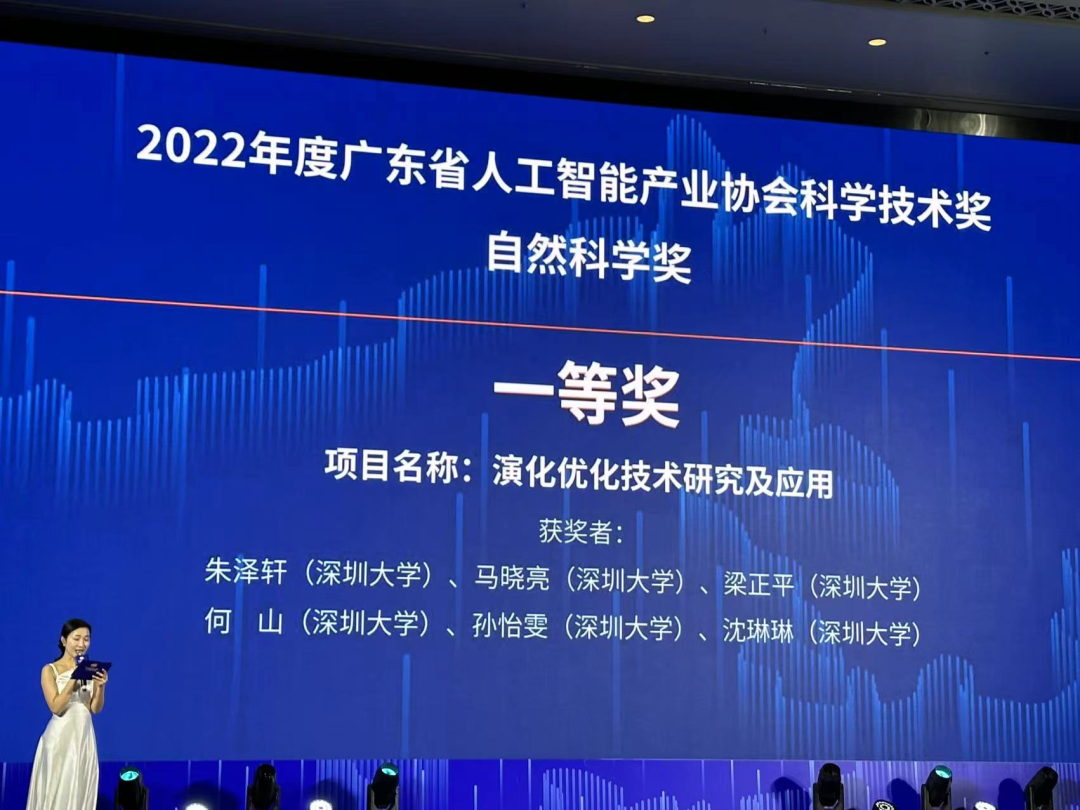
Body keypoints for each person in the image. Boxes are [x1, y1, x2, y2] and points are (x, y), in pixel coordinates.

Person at [25, 618, 109, 810]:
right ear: (64, 640)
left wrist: (100, 687)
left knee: (79, 789)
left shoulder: (90, 669)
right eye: (76, 638)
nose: (82, 644)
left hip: (83, 737)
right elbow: (56, 707)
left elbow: (94, 708)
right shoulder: (50, 670)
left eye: (86, 639)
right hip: (60, 738)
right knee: (57, 789)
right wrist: (74, 678)